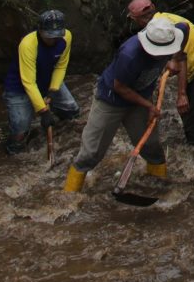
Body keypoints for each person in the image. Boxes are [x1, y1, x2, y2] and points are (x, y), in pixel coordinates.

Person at [63, 15, 185, 192]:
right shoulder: (129, 55)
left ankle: (159, 189)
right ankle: (69, 196)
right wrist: (149, 106)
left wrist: (176, 57)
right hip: (111, 100)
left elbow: (185, 28)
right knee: (91, 152)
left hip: (140, 99)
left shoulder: (173, 33)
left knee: (151, 146)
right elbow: (120, 88)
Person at [127, 0, 194, 148]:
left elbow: (181, 58)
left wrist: (181, 94)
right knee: (187, 113)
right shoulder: (162, 21)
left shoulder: (161, 28)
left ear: (135, 19)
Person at [2, 9, 78, 155]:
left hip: (48, 79)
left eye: (56, 36)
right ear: (40, 30)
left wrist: (53, 90)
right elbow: (29, 82)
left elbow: (61, 66)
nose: (53, 40)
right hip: (20, 87)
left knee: (71, 111)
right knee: (20, 131)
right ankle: (13, 153)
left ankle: (64, 138)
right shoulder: (28, 44)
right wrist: (43, 112)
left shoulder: (66, 37)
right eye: (49, 36)